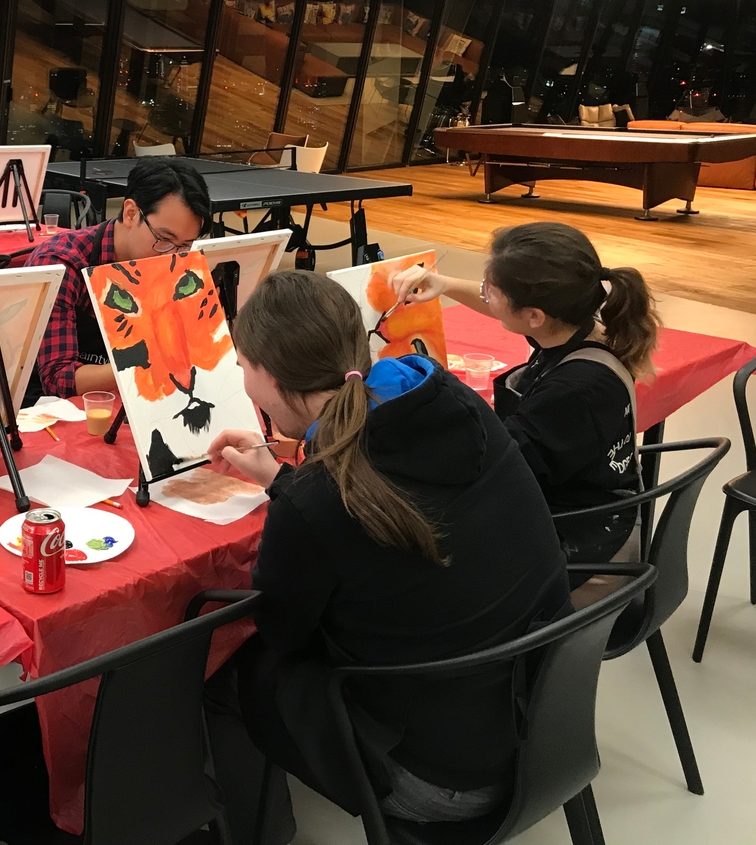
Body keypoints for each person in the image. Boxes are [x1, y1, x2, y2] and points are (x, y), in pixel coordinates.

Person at [203, 271, 570, 845]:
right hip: (543, 721)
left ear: (269, 376)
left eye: (244, 367)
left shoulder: (316, 502)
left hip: (439, 781)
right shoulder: (451, 400)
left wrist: (293, 496)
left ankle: (260, 832)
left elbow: (283, 632)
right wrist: (285, 480)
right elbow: (370, 512)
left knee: (226, 674)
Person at [391, 221, 658, 567]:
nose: (485, 293)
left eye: (491, 290)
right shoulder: (579, 318)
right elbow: (514, 310)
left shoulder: (574, 391)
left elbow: (492, 470)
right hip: (576, 500)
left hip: (582, 548)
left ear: (534, 315)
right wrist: (444, 285)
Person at [24, 157, 213, 402]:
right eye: (164, 239)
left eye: (184, 246)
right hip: (55, 411)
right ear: (131, 213)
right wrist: (145, 359)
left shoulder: (176, 263)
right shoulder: (62, 263)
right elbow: (58, 379)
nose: (173, 256)